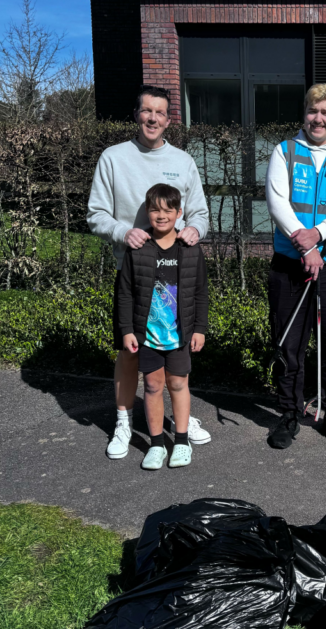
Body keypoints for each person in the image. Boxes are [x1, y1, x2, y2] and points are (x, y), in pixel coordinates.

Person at [87, 85, 211, 460]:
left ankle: (180, 423)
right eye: (146, 111)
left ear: (169, 120)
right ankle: (124, 421)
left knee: (177, 348)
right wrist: (123, 232)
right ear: (136, 115)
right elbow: (96, 214)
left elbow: (200, 214)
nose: (152, 118)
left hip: (175, 275)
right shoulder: (113, 158)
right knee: (131, 351)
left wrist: (195, 229)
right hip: (135, 272)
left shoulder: (183, 161)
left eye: (159, 112)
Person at [264, 83, 326, 450]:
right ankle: (289, 412)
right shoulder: (284, 151)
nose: (317, 118)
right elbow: (277, 203)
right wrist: (305, 246)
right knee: (289, 344)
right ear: (304, 114)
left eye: (325, 112)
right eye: (312, 110)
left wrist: (319, 235)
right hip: (290, 265)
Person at [117, 183, 208, 470]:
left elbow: (201, 292)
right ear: (147, 212)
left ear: (179, 213)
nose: (161, 215)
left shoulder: (190, 249)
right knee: (153, 386)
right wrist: (127, 330)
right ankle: (156, 444)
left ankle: (181, 441)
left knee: (178, 384)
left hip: (180, 336)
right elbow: (125, 293)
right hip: (148, 337)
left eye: (169, 210)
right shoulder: (137, 250)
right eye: (155, 209)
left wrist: (200, 328)